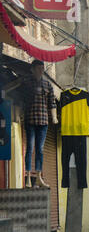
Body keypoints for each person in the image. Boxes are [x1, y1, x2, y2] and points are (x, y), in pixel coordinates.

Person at [22, 60, 58, 188]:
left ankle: (38, 178)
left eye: (42, 68)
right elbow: (22, 101)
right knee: (30, 148)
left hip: (43, 121)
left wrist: (54, 117)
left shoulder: (48, 85)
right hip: (30, 119)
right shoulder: (26, 83)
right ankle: (27, 178)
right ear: (32, 69)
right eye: (38, 68)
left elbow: (52, 103)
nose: (41, 71)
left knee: (40, 149)